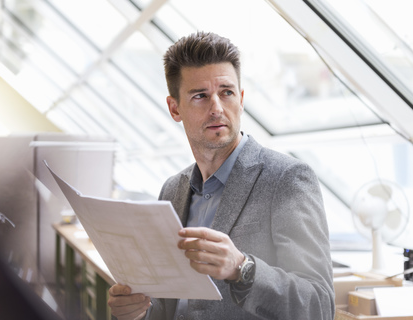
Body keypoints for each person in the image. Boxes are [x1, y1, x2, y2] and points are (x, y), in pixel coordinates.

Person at [108, 31, 335, 320]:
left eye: (226, 92)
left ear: (240, 98)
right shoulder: (171, 191)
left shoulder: (287, 180)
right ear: (174, 108)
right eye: (200, 96)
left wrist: (242, 268)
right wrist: (134, 313)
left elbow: (319, 306)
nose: (217, 108)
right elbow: (167, 308)